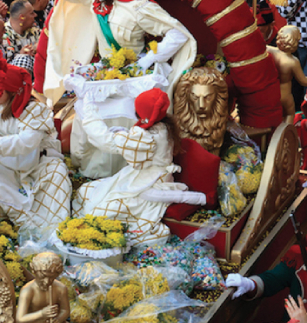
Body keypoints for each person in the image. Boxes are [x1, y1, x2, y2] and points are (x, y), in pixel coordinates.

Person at [0, 0, 196, 104]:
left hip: (135, 81)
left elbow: (177, 33)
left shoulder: (140, 7)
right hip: (104, 76)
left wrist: (147, 60)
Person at [72, 88, 206, 248]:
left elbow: (106, 140)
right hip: (145, 177)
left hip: (148, 184)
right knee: (88, 191)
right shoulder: (164, 125)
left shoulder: (147, 138)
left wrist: (89, 110)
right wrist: (123, 133)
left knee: (100, 212)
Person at [0, 65, 71, 242]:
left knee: (57, 175)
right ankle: (26, 225)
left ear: (13, 90)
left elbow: (28, 141)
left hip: (39, 164)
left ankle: (54, 233)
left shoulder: (34, 109)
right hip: (7, 166)